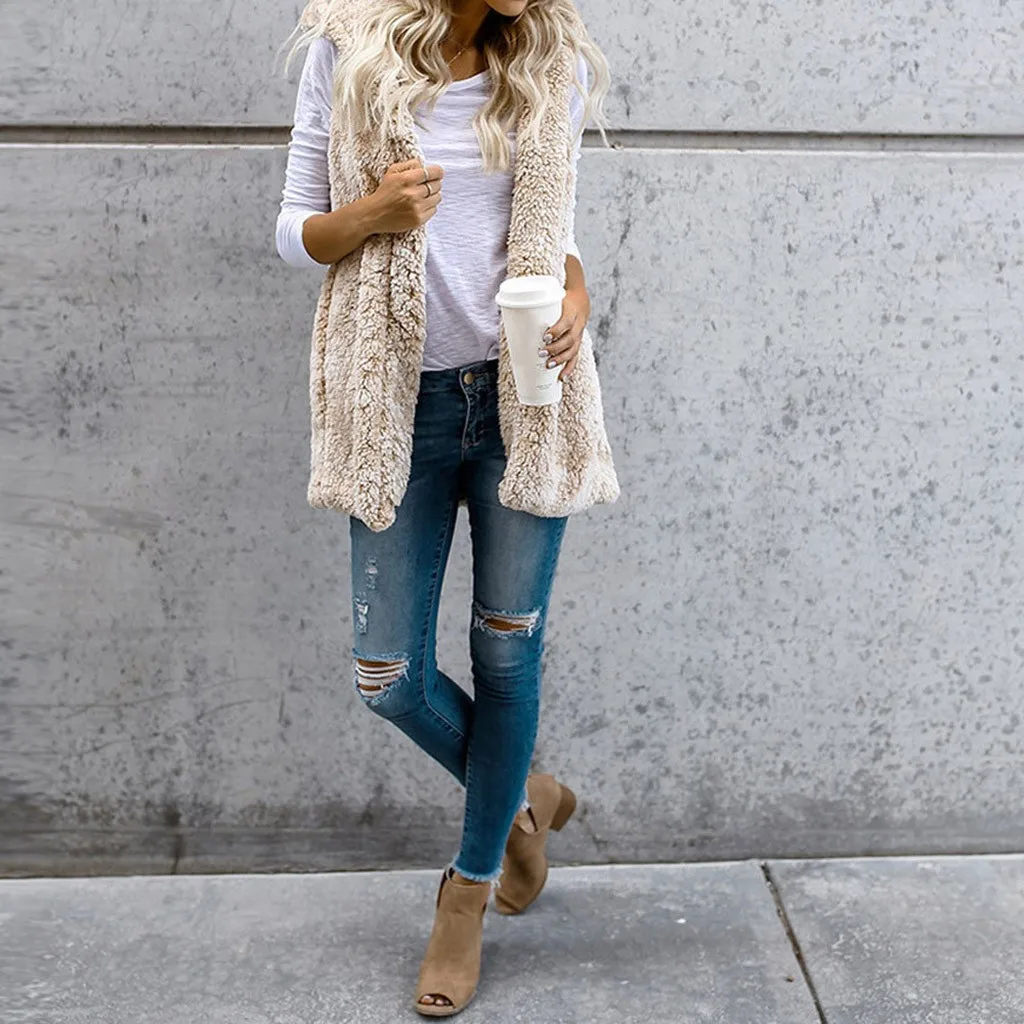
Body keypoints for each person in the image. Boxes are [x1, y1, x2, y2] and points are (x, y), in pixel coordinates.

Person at [276, 0, 616, 1015]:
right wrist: (373, 213)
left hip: (525, 399)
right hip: (399, 407)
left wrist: (576, 296)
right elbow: (294, 232)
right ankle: (521, 799)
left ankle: (466, 893)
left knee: (507, 653)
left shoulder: (550, 62)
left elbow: (553, 236)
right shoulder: (347, 52)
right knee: (387, 675)